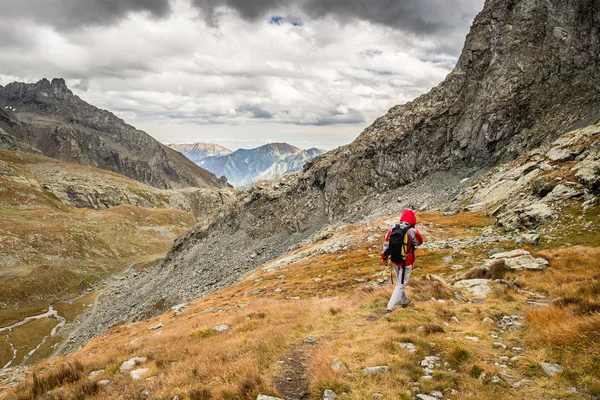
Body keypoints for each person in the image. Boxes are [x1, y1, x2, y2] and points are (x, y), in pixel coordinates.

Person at [381, 208, 424, 312]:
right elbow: (419, 242)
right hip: (406, 262)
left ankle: (404, 301)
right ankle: (390, 308)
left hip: (395, 260)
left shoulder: (393, 228)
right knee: (400, 284)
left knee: (400, 282)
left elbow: (386, 243)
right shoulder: (412, 231)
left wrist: (384, 256)